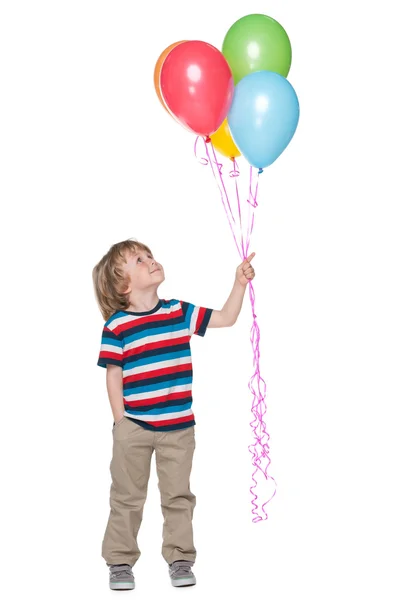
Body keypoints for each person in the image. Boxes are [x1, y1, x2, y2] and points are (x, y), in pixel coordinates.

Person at [92, 238, 255, 590]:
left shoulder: (178, 312)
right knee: (126, 497)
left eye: (149, 255)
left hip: (178, 428)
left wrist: (238, 283)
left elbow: (225, 318)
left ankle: (180, 558)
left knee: (178, 496)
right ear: (124, 285)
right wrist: (121, 421)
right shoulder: (117, 326)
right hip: (133, 427)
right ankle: (120, 561)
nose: (151, 260)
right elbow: (113, 373)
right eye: (139, 259)